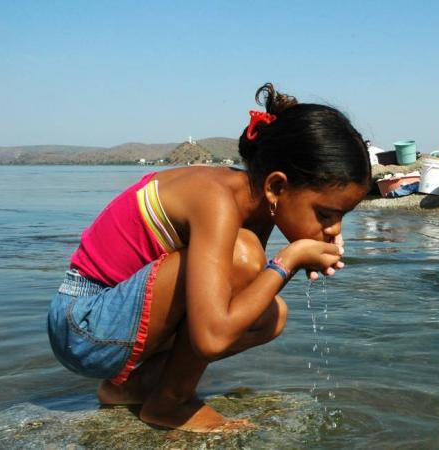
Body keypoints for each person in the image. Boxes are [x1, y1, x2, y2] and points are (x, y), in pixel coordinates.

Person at [46, 83, 371, 433]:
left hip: (112, 323)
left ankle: (128, 388)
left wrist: (288, 261)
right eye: (325, 214)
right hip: (83, 326)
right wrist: (289, 259)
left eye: (341, 217)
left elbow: (234, 304)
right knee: (246, 259)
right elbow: (211, 337)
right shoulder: (215, 200)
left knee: (270, 316)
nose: (333, 230)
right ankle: (170, 404)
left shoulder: (254, 204)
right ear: (277, 187)